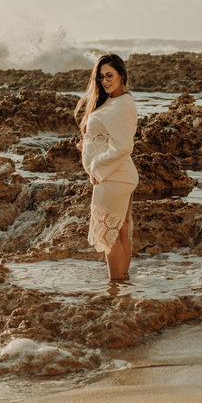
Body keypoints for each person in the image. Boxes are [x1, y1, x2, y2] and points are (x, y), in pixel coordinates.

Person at [75, 53, 139, 282]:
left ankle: (116, 287)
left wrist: (94, 167)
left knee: (110, 237)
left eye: (110, 75)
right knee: (120, 233)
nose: (105, 81)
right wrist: (89, 142)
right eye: (101, 77)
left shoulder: (121, 104)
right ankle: (123, 285)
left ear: (122, 75)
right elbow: (110, 137)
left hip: (114, 177)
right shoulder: (115, 102)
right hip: (117, 175)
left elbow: (122, 146)